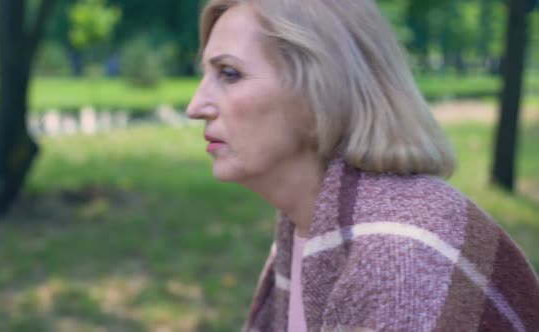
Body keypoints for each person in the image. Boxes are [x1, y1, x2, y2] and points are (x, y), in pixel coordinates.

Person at [186, 0, 539, 331]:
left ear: (319, 88)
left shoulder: (398, 256)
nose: (196, 105)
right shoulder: (306, 228)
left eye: (229, 74)